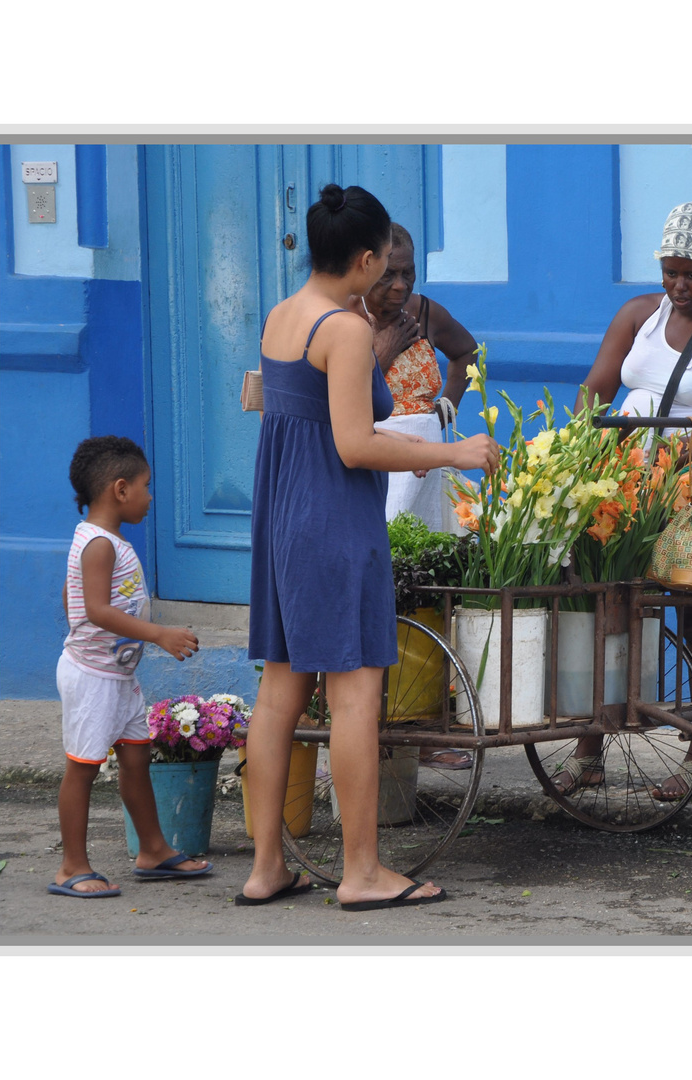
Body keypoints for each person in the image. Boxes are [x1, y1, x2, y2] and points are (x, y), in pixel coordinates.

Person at [241, 184, 499, 909]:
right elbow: (353, 446)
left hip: (284, 516)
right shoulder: (345, 331)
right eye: (385, 260)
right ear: (361, 259)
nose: (390, 272)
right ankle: (361, 873)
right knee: (356, 699)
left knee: (278, 698)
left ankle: (266, 868)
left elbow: (293, 415)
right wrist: (455, 453)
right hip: (332, 519)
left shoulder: (283, 315)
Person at [564, 200, 692, 800]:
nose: (680, 286)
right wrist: (586, 453)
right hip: (621, 486)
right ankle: (589, 749)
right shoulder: (636, 317)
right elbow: (594, 391)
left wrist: (678, 461)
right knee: (607, 606)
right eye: (671, 272)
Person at [52, 436, 212, 897]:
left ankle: (154, 850)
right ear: (120, 490)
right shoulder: (99, 544)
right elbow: (97, 610)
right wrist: (160, 635)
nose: (150, 494)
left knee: (137, 758)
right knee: (82, 767)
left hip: (117, 675)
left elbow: (73, 597)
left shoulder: (103, 540)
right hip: (93, 678)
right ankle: (71, 867)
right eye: (146, 485)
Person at [356, 222, 481, 771]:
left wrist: (447, 404)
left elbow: (468, 353)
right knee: (381, 592)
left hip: (428, 463)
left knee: (427, 586)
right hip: (378, 463)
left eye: (409, 273)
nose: (401, 286)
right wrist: (384, 349)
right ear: (365, 267)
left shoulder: (426, 314)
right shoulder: (346, 321)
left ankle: (428, 727)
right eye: (389, 275)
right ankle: (374, 727)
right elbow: (349, 401)